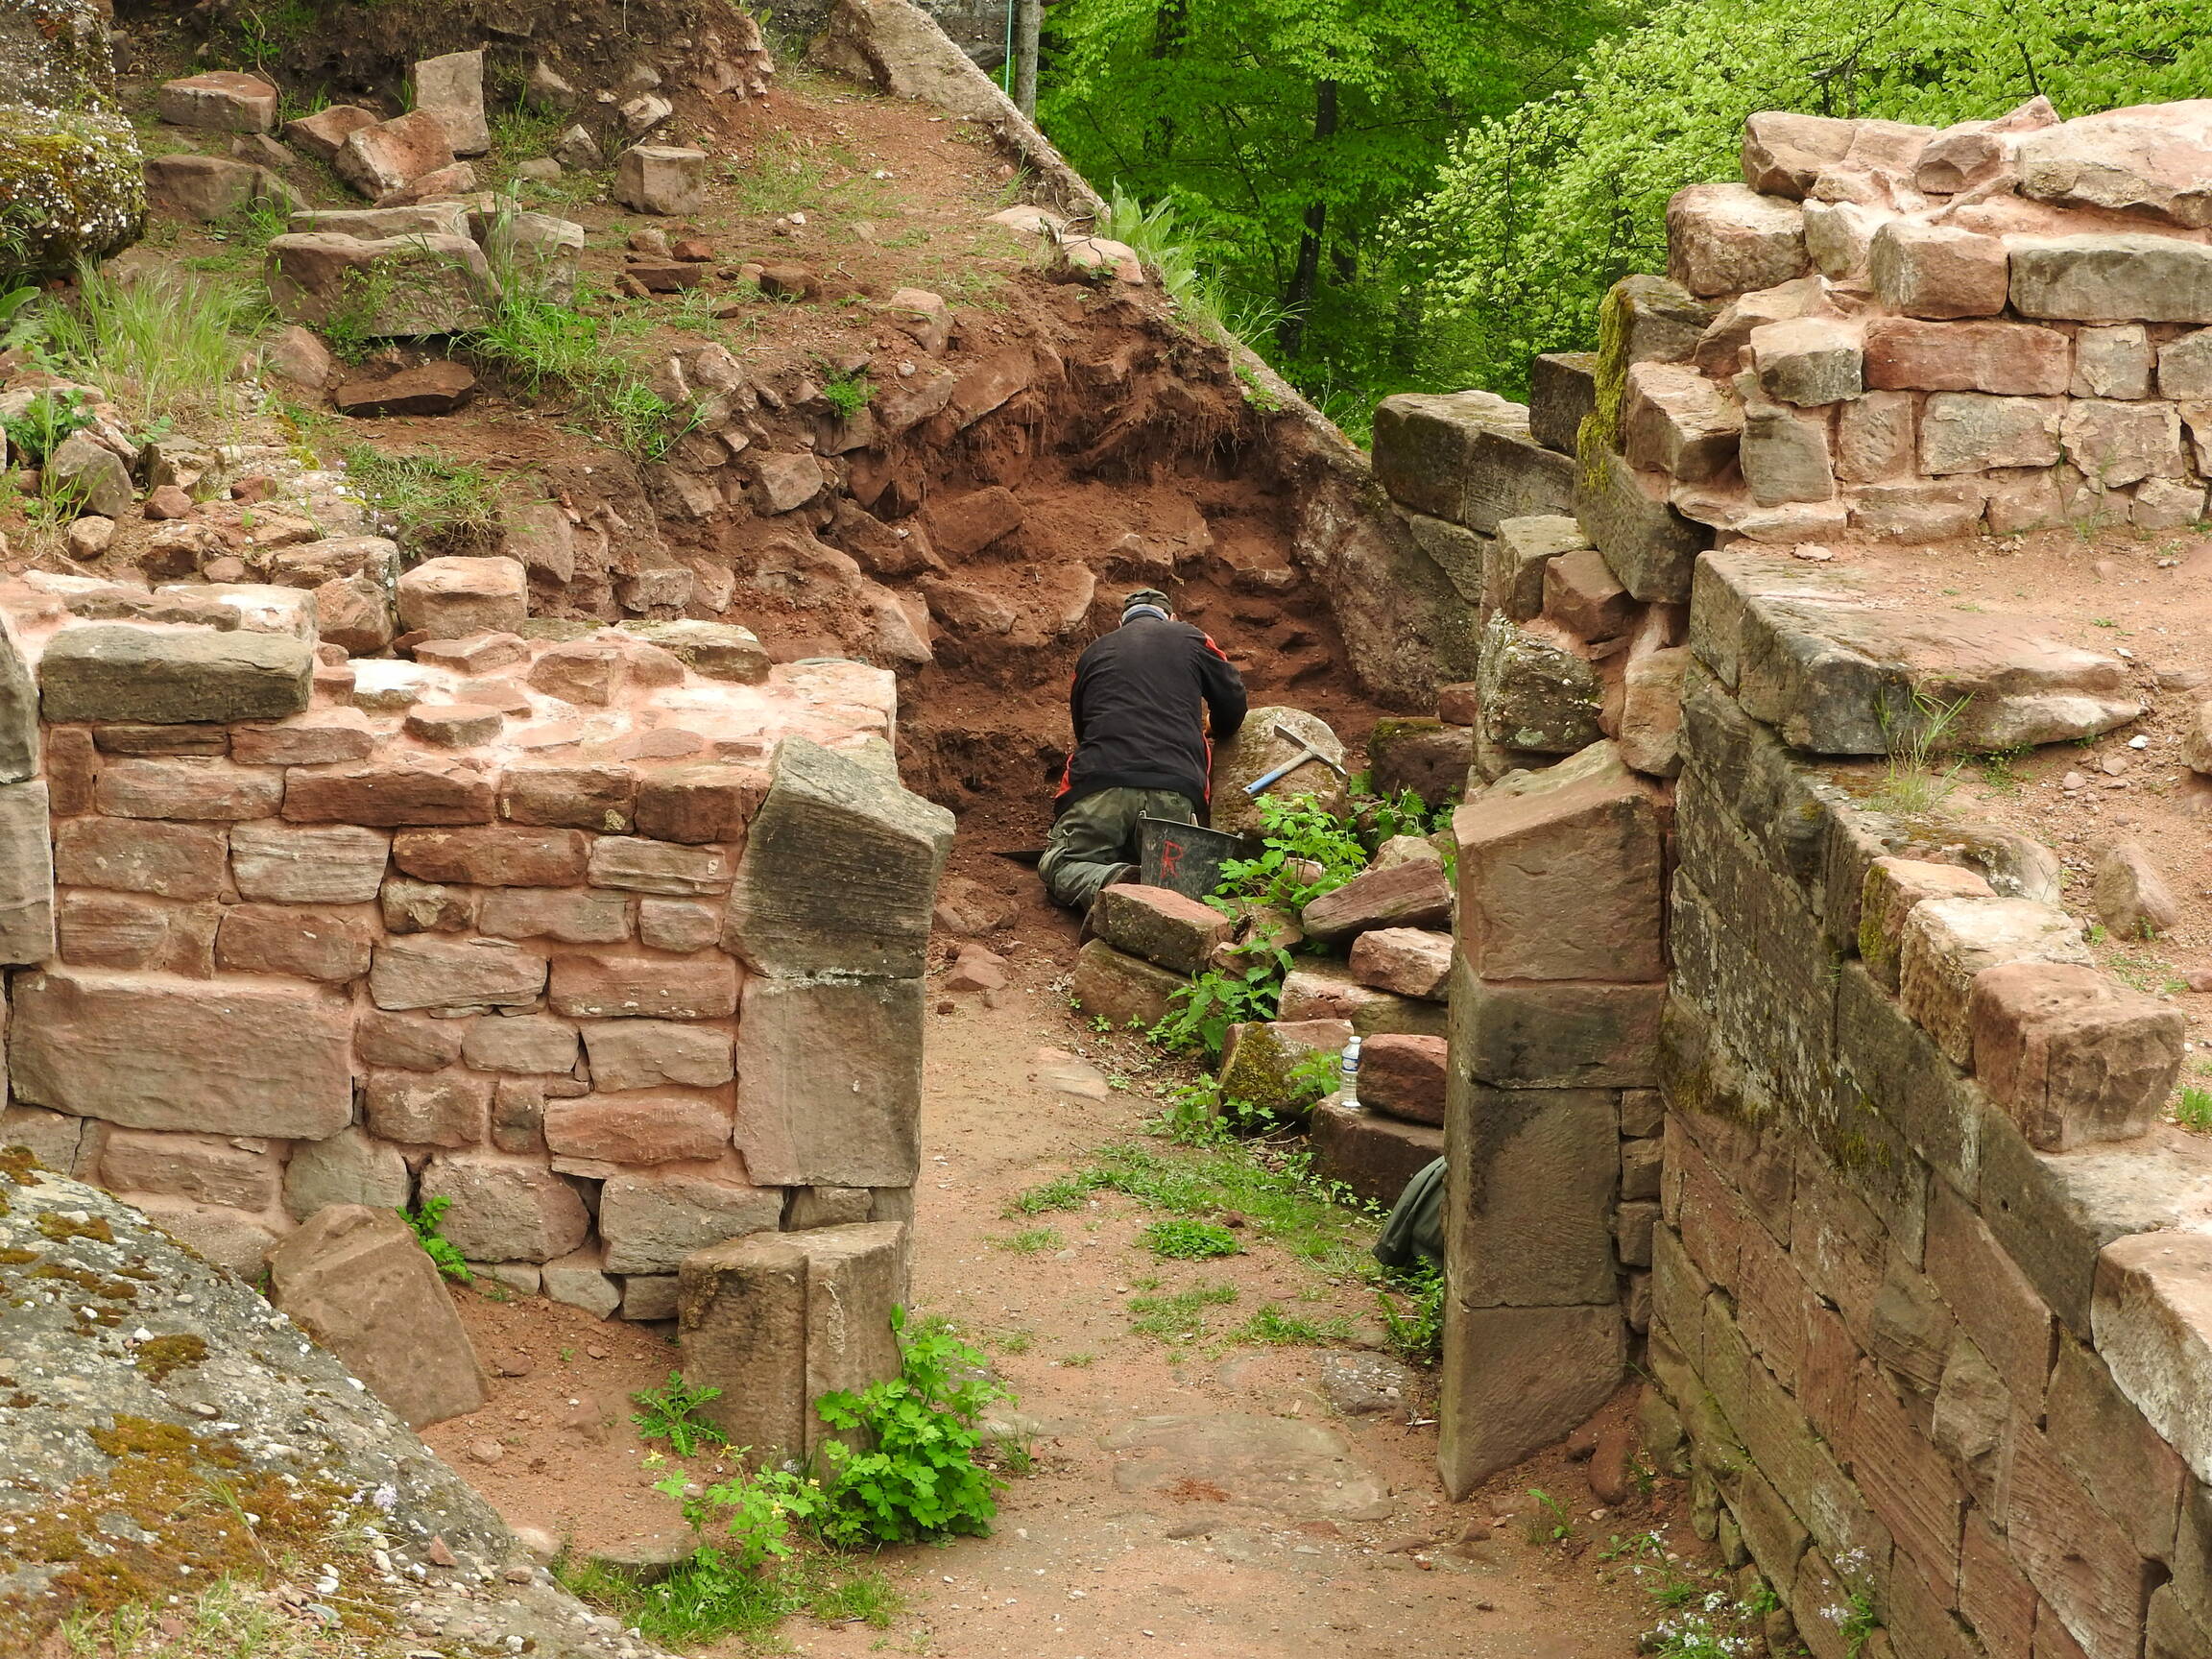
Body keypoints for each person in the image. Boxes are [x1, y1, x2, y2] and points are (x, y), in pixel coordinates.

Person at [1039, 588, 1247, 911]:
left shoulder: (1093, 653)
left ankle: (1113, 880)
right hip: (1175, 790)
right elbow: (1233, 704)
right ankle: (1153, 885)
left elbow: (1084, 730)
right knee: (1173, 880)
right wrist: (1214, 727)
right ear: (1171, 618)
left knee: (1060, 865)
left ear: (1121, 623)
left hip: (1100, 785)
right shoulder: (1191, 637)